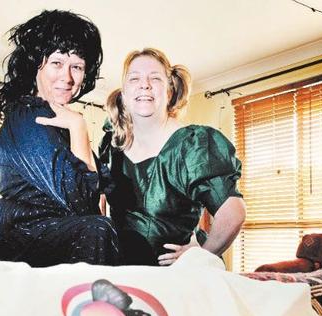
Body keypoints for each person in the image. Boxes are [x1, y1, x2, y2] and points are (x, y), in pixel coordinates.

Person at [0, 10, 119, 267]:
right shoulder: (29, 117)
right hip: (27, 239)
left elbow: (103, 186)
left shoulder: (58, 119)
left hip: (59, 234)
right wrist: (79, 126)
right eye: (57, 63)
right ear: (35, 64)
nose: (68, 77)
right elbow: (84, 204)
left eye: (77, 67)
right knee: (99, 228)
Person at [102, 48, 246, 266]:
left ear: (169, 90)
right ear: (124, 91)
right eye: (134, 78)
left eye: (155, 78)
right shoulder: (112, 144)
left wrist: (201, 256)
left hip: (176, 278)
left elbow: (233, 213)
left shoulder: (194, 145)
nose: (145, 84)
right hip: (124, 271)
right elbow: (99, 204)